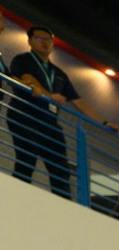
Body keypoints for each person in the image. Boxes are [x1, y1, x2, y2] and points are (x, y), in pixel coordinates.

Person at [6, 26, 113, 201]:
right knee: (27, 159)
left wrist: (105, 123)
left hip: (49, 124)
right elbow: (27, 80)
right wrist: (49, 96)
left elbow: (79, 102)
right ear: (30, 41)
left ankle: (64, 206)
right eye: (39, 38)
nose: (44, 42)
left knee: (61, 170)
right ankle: (16, 201)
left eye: (48, 39)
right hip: (25, 117)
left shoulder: (59, 73)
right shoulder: (22, 60)